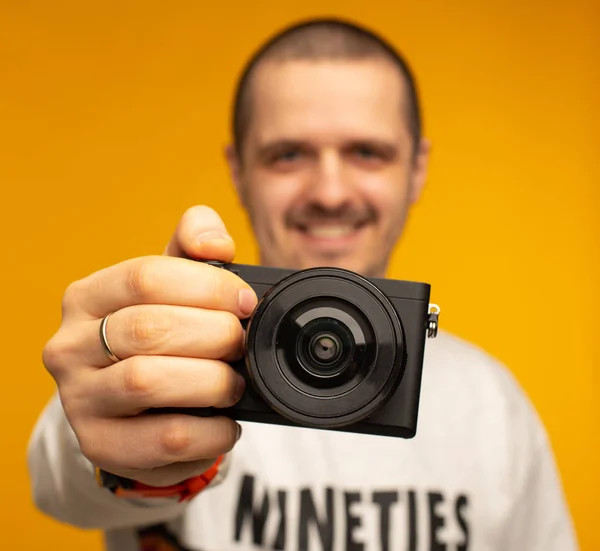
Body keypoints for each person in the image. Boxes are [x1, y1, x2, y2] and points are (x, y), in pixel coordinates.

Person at [27, 17, 578, 551]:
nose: (331, 192)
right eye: (288, 155)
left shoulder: (491, 404)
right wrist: (137, 449)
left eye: (367, 152)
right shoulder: (168, 362)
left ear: (417, 169)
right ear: (239, 171)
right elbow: (66, 487)